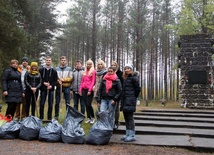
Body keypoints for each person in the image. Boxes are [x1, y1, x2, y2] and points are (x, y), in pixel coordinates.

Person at [120, 64, 141, 142]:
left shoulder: (134, 78)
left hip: (130, 100)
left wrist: (133, 97)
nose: (127, 70)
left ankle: (132, 135)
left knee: (130, 117)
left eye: (128, 68)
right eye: (125, 68)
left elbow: (138, 89)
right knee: (126, 117)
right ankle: (127, 133)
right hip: (125, 100)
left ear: (131, 69)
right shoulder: (125, 78)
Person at [55, 56, 73, 120]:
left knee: (67, 102)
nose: (63, 61)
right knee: (57, 102)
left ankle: (68, 116)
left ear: (66, 61)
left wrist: (63, 80)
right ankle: (56, 115)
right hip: (59, 87)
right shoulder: (56, 68)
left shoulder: (69, 69)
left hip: (67, 87)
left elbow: (71, 78)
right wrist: (58, 80)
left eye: (64, 60)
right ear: (60, 61)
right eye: (62, 60)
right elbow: (55, 77)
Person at [79, 59, 96, 124]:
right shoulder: (84, 72)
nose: (88, 65)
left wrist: (90, 90)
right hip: (83, 89)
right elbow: (82, 81)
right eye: (88, 64)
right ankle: (88, 117)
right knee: (86, 104)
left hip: (89, 89)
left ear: (92, 65)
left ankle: (93, 117)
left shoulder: (93, 71)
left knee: (89, 104)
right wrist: (80, 90)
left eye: (90, 64)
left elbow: (93, 81)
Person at [111, 61, 124, 129]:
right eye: (112, 65)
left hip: (117, 93)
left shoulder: (120, 73)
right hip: (110, 93)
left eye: (114, 65)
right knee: (110, 109)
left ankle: (116, 122)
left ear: (117, 66)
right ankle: (111, 122)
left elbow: (122, 83)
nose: (113, 66)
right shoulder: (109, 72)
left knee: (116, 109)